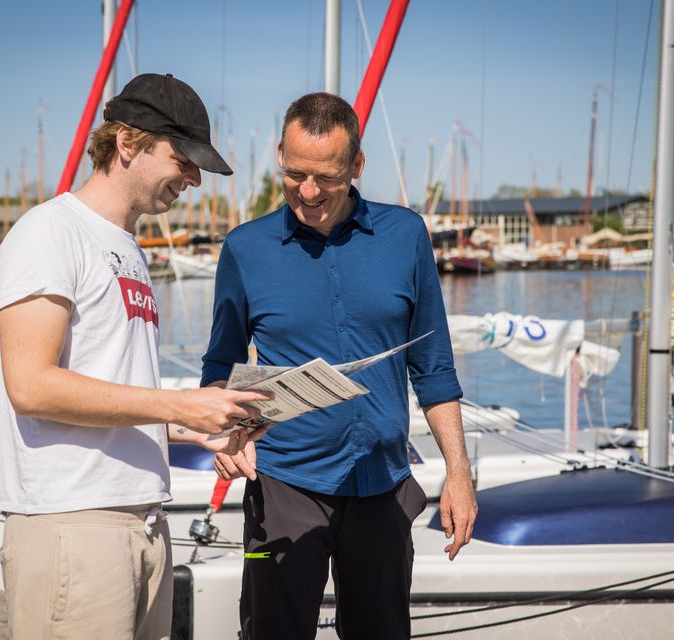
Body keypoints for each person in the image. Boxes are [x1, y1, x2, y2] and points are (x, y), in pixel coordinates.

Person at [0, 73, 270, 640]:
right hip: (74, 526)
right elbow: (30, 386)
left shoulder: (127, 249)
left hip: (142, 525)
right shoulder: (51, 231)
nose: (194, 179)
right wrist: (179, 404)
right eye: (183, 160)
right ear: (126, 143)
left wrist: (196, 429)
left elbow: (110, 393)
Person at [202, 92, 477, 640]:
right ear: (279, 157)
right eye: (294, 174)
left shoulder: (406, 236)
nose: (308, 192)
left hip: (383, 487)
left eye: (326, 177)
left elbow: (433, 367)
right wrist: (229, 433)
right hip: (280, 488)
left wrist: (459, 473)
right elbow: (221, 364)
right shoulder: (245, 248)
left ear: (357, 165)